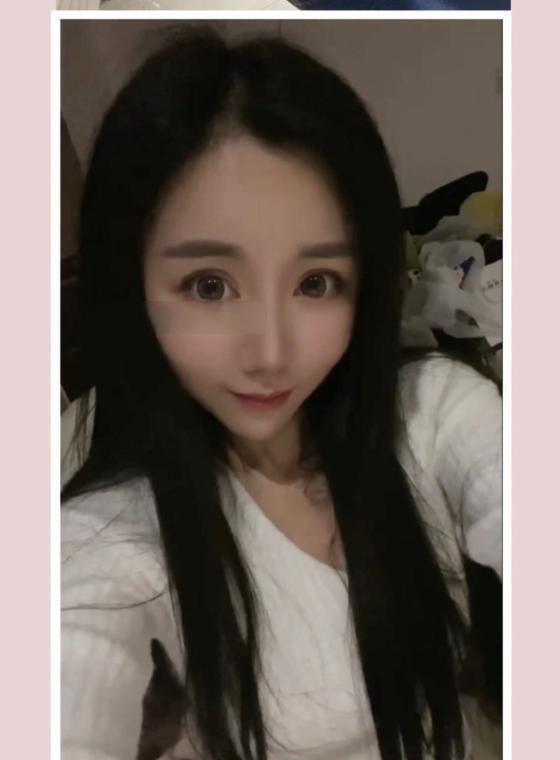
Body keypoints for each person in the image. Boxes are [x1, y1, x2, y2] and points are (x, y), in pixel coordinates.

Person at [61, 25, 502, 760]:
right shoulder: (117, 536)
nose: (270, 354)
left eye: (315, 282)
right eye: (209, 285)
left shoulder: (430, 412)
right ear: (133, 287)